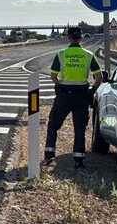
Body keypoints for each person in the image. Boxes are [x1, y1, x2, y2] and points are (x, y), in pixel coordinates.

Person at [44, 27, 103, 170]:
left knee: (53, 125)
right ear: (81, 38)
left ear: (68, 38)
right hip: (82, 95)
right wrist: (92, 90)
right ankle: (78, 160)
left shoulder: (62, 54)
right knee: (79, 129)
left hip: (64, 95)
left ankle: (49, 155)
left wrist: (58, 85)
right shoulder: (88, 55)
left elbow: (53, 74)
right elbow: (99, 76)